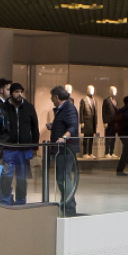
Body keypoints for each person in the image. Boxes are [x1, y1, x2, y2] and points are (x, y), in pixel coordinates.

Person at [0, 83, 39, 206]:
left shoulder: (28, 107)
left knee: (22, 178)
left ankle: (21, 202)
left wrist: (34, 147)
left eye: (21, 91)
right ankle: (5, 201)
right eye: (16, 92)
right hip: (8, 148)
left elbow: (34, 127)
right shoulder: (3, 107)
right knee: (7, 177)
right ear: (11, 93)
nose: (19, 94)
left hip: (24, 148)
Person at [48, 85, 80, 215]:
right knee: (61, 177)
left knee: (63, 178)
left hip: (67, 149)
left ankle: (69, 205)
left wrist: (63, 137)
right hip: (62, 150)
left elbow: (72, 126)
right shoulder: (62, 109)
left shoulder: (68, 108)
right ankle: (66, 203)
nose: (51, 100)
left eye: (52, 98)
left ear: (56, 97)